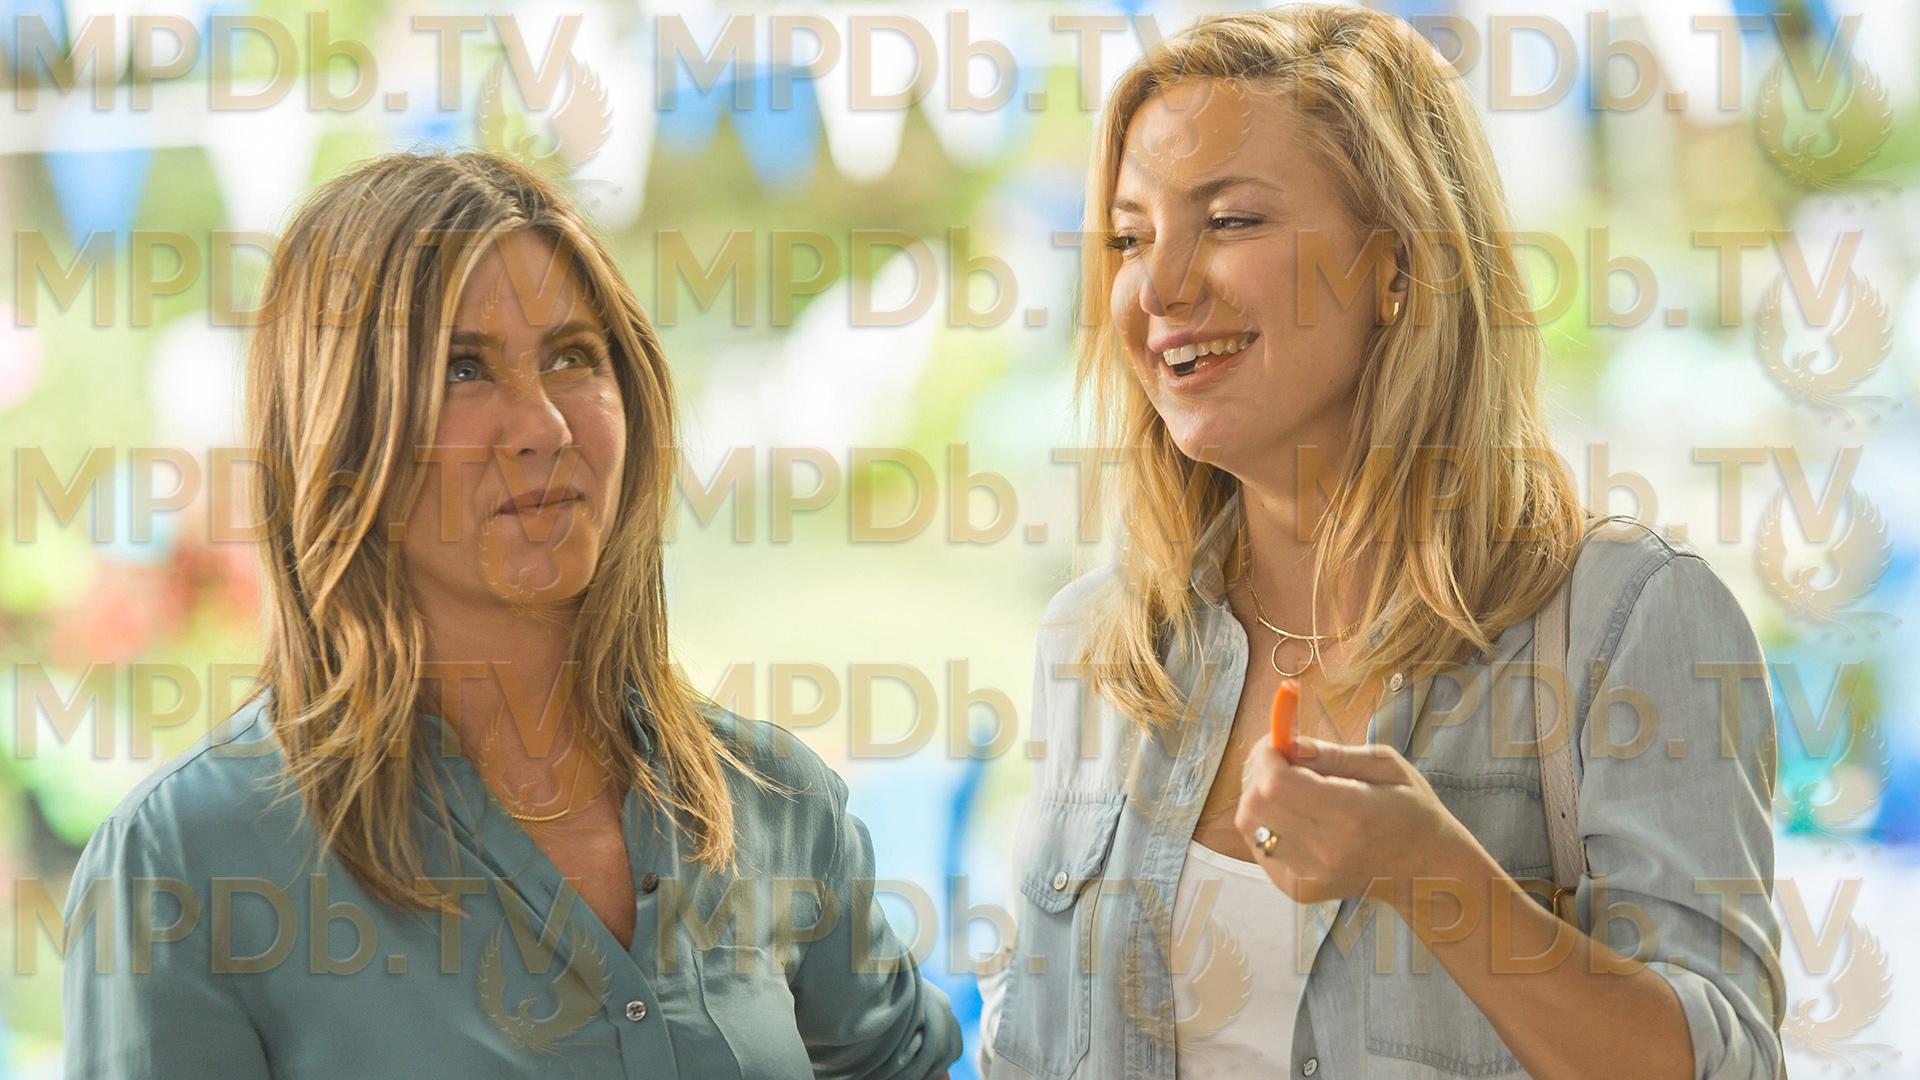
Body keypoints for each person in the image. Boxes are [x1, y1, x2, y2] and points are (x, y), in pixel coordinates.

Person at [978, 7, 1784, 1079]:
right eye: (1129, 237)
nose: (1159, 287)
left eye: (1230, 221)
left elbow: (1727, 1063)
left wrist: (1433, 875)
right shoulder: (1097, 647)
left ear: (1397, 264)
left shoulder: (1628, 622)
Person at [62, 151, 962, 1079]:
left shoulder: (773, 804)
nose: (545, 426)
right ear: (342, 433)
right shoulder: (184, 868)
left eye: (572, 357)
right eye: (463, 369)